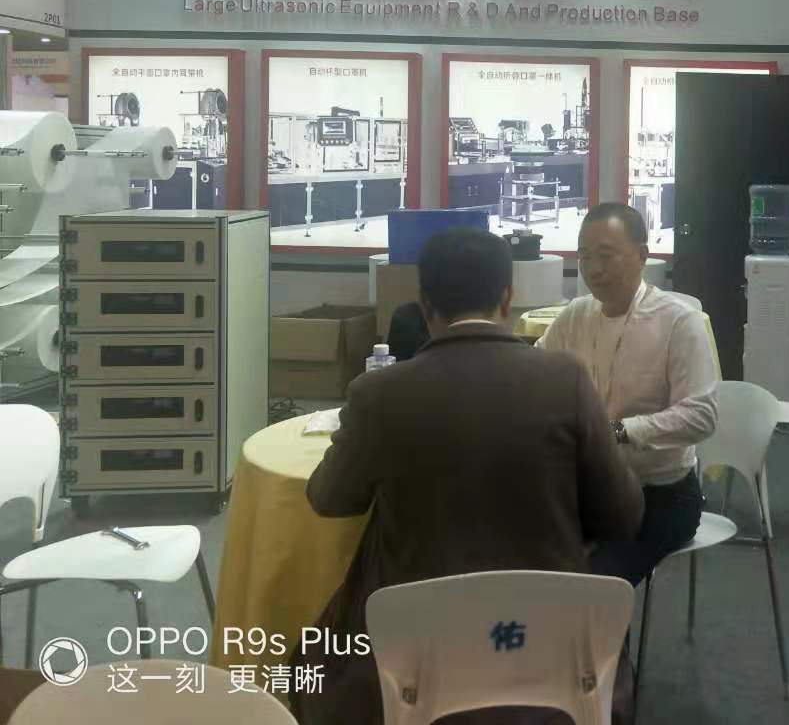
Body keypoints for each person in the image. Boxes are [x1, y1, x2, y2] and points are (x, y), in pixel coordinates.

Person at [293, 228, 643, 725]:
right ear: (508, 297)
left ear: (424, 304)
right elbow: (623, 515)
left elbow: (330, 498)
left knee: (313, 660)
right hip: (550, 647)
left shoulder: (379, 394)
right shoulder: (566, 380)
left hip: (417, 659)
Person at [540, 203, 719, 587]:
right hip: (591, 489)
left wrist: (620, 431)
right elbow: (534, 376)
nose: (593, 269)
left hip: (661, 496)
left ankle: (598, 628)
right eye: (584, 257)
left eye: (605, 256)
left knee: (594, 579)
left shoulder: (677, 321)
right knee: (522, 555)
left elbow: (702, 415)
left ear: (641, 255)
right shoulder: (575, 316)